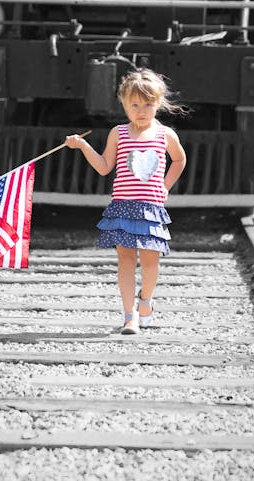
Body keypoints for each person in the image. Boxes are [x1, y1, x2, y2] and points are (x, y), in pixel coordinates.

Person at [65, 68, 186, 335]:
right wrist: (84, 147)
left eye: (147, 105)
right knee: (126, 261)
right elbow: (104, 166)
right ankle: (129, 316)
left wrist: (165, 187)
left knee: (152, 262)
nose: (141, 111)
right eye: (134, 105)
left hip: (151, 209)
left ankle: (146, 300)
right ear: (123, 104)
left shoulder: (165, 134)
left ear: (158, 103)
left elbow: (179, 160)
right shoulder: (118, 133)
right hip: (122, 207)